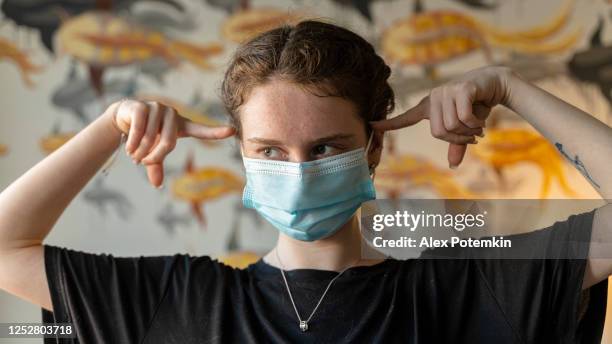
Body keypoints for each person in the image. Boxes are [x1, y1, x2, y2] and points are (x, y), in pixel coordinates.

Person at [0, 20, 610, 344]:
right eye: (269, 150)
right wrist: (111, 125)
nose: (297, 172)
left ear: (374, 146)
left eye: (325, 148)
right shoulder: (175, 303)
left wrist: (507, 86)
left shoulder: (467, 291)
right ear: (242, 155)